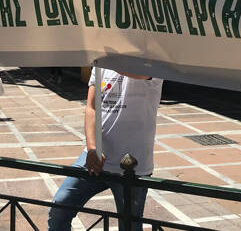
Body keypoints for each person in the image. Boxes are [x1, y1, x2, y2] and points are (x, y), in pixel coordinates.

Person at [48, 68, 163, 231]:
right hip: (96, 158)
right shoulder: (101, 65)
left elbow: (142, 73)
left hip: (132, 167)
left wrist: (106, 57)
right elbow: (92, 107)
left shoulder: (149, 61)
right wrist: (92, 148)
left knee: (129, 226)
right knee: (60, 205)